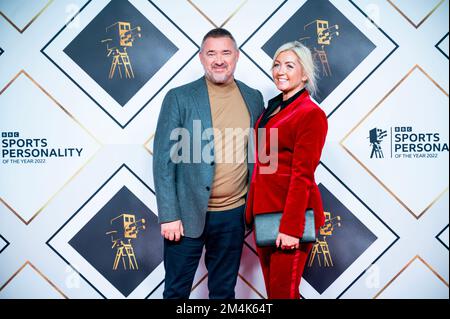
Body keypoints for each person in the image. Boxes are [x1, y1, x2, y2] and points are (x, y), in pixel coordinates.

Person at [153, 28, 265, 299]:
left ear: (236, 57)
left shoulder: (253, 97)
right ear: (201, 58)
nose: (219, 60)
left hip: (233, 215)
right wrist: (169, 215)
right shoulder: (179, 97)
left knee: (224, 292)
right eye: (211, 53)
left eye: (225, 52)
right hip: (186, 216)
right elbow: (163, 161)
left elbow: (259, 157)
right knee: (176, 292)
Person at [245, 41, 328, 299]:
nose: (280, 71)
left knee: (283, 293)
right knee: (275, 294)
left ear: (304, 74)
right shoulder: (271, 109)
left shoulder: (310, 114)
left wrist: (291, 228)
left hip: (290, 220)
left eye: (290, 66)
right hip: (264, 215)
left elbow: (303, 175)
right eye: (277, 65)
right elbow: (262, 165)